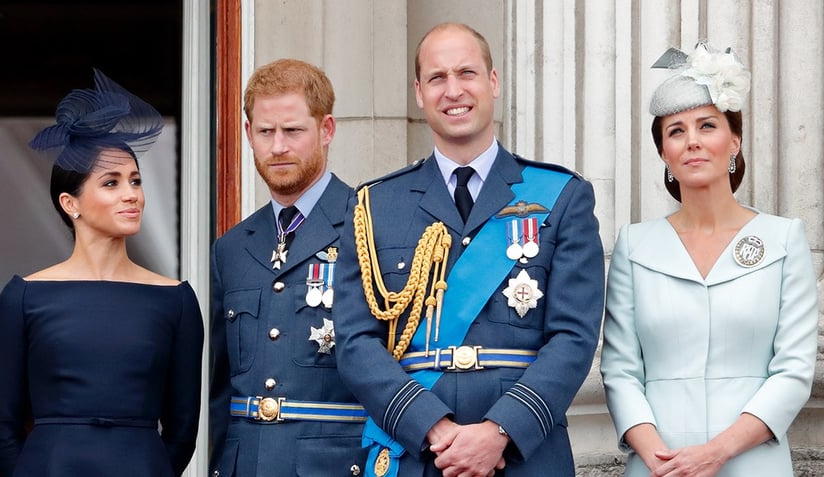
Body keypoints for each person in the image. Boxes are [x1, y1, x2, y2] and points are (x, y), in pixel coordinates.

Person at [333, 23, 605, 477]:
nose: (453, 90)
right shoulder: (375, 205)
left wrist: (500, 431)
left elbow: (574, 338)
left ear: (493, 82)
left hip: (522, 456)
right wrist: (433, 429)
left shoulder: (562, 195)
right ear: (419, 93)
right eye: (437, 78)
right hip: (419, 452)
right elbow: (357, 342)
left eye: (467, 73)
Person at [600, 43, 819, 476]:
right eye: (676, 131)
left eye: (707, 125)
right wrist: (662, 460)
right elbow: (620, 370)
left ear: (734, 140)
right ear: (663, 152)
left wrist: (716, 451)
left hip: (753, 461)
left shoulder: (782, 239)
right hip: (657, 465)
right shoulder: (635, 245)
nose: (692, 141)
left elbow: (793, 370)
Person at [0, 69, 204, 477]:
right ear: (71, 204)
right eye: (111, 182)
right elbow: (1, 427)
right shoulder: (24, 297)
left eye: (136, 181)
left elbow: (183, 430)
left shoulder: (176, 299)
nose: (132, 195)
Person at [209, 58, 368, 477]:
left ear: (326, 129)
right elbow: (219, 389)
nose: (278, 146)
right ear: (248, 134)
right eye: (265, 131)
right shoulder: (231, 248)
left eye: (293, 131)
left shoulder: (369, 227)